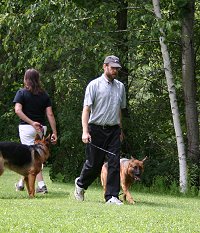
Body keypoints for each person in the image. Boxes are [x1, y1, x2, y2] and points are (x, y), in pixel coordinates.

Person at [74, 55, 126, 205]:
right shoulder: (94, 85)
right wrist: (85, 131)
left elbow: (119, 110)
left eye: (117, 68)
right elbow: (86, 110)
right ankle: (80, 185)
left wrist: (120, 130)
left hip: (114, 130)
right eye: (112, 67)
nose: (115, 70)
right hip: (96, 129)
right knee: (94, 165)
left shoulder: (120, 87)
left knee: (114, 162)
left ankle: (111, 196)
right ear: (105, 66)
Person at [13, 68, 57, 194]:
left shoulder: (21, 93)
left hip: (27, 128)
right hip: (41, 129)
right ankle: (21, 183)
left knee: (31, 159)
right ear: (38, 79)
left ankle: (41, 185)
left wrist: (31, 122)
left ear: (26, 79)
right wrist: (54, 132)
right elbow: (50, 114)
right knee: (35, 157)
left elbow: (17, 110)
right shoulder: (44, 95)